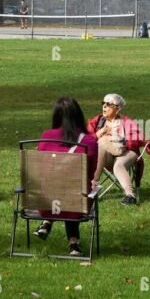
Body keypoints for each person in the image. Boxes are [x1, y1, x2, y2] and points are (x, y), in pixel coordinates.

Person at [32, 97, 98, 256]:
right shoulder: (89, 141)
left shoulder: (46, 136)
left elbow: (41, 170)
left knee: (59, 188)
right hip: (77, 205)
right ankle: (73, 243)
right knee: (73, 191)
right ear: (79, 116)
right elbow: (90, 173)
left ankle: (47, 223)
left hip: (46, 204)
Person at [87, 93, 144, 205]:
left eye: (108, 104)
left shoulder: (126, 121)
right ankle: (93, 184)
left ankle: (130, 196)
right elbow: (86, 139)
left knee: (118, 166)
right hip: (106, 155)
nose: (104, 106)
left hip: (126, 152)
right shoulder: (98, 121)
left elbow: (138, 138)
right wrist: (100, 133)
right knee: (102, 145)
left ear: (118, 109)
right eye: (103, 103)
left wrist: (119, 139)